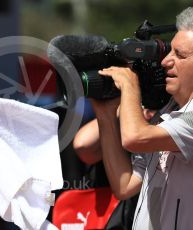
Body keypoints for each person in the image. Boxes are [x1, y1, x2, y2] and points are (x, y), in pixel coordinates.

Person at [90, 7, 193, 230]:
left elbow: (134, 137)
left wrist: (129, 85)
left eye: (180, 55)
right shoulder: (166, 113)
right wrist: (105, 114)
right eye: (169, 52)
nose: (166, 61)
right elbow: (124, 185)